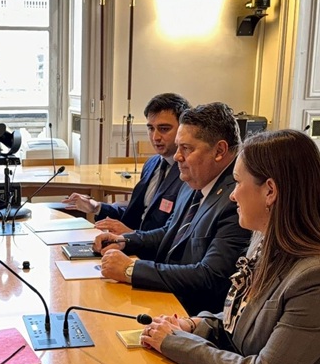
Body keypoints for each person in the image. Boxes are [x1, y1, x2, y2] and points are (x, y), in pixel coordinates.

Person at [140, 130, 320, 364]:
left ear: (270, 191)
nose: (233, 194)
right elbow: (243, 319)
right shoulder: (265, 241)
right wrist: (192, 325)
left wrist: (174, 342)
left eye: (238, 182)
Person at [94, 102, 251, 315]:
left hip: (192, 314)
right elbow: (170, 232)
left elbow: (210, 276)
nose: (177, 156)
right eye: (178, 147)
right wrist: (125, 241)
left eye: (186, 148)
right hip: (164, 296)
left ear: (219, 151)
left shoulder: (238, 198)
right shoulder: (193, 181)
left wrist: (131, 270)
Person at [62, 93, 190, 234]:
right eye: (151, 128)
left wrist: (129, 236)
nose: (155, 137)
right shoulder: (152, 164)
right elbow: (136, 215)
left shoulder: (189, 171)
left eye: (164, 129)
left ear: (182, 129)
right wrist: (96, 207)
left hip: (151, 247)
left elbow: (174, 233)